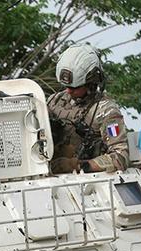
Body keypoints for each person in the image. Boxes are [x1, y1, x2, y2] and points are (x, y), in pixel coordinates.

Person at [47, 43, 131, 174]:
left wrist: (78, 166)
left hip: (87, 183)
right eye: (65, 86)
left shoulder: (106, 111)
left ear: (91, 82)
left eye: (75, 87)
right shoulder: (54, 101)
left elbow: (120, 157)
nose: (68, 91)